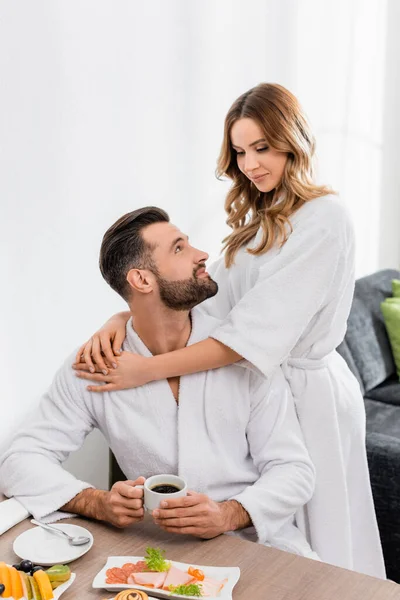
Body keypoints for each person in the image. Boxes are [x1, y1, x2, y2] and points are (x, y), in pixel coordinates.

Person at [72, 84, 385, 578]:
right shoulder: (266, 217)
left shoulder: (325, 219)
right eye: (239, 151)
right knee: (279, 535)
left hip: (310, 396)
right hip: (268, 388)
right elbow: (203, 291)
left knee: (324, 540)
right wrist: (122, 317)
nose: (250, 164)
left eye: (262, 147)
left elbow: (250, 337)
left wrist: (146, 370)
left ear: (292, 141)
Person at [0, 207, 317, 557]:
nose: (202, 255)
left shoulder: (240, 354)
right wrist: (98, 502)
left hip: (259, 545)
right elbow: (21, 459)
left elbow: (294, 470)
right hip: (157, 552)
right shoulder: (97, 364)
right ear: (142, 280)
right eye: (179, 248)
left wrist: (228, 514)